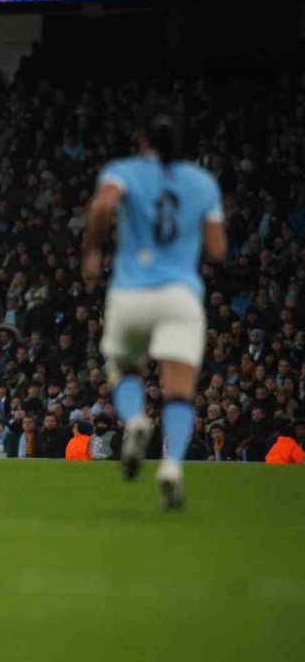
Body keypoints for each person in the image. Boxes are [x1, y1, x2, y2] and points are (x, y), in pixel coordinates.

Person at [83, 102, 227, 510]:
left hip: (130, 293)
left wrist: (93, 250)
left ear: (140, 137)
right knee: (179, 391)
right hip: (180, 295)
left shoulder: (123, 171)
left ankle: (135, 421)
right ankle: (171, 468)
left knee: (123, 368)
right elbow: (217, 249)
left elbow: (102, 206)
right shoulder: (202, 182)